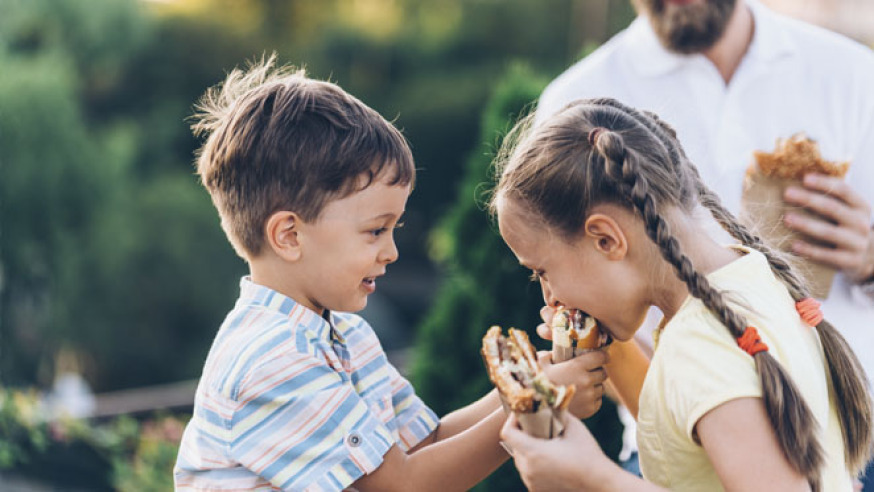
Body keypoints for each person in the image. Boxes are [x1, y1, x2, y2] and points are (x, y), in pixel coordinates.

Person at [172, 55, 608, 491]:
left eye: (393, 228)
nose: (392, 252)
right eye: (375, 230)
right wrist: (539, 403)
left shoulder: (347, 335)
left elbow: (425, 444)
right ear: (288, 235)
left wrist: (527, 386)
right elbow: (401, 486)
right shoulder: (270, 359)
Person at [537, 0, 874, 484]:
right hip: (681, 444)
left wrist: (868, 256)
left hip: (849, 435)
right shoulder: (576, 102)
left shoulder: (852, 75)